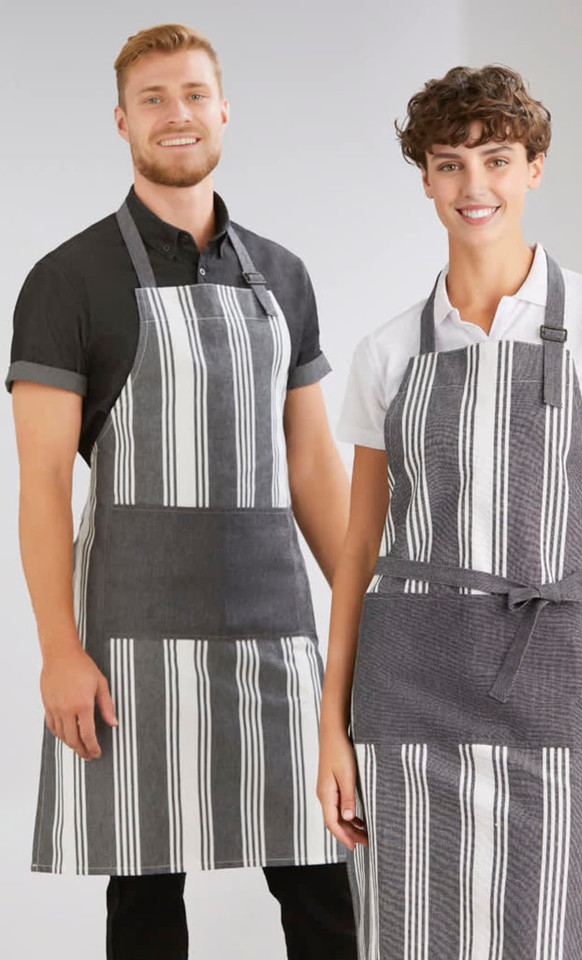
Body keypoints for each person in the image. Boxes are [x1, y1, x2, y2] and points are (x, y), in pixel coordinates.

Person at [7, 22, 357, 960]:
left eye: (195, 94)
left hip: (278, 631)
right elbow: (41, 487)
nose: (178, 114)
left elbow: (314, 465)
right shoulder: (66, 279)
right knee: (147, 899)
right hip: (131, 643)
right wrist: (58, 651)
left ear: (224, 111)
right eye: (154, 99)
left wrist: (374, 612)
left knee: (329, 885)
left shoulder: (281, 275)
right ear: (121, 120)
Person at [317, 64, 582, 958]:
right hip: (408, 684)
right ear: (426, 177)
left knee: (547, 932)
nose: (474, 187)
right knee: (410, 934)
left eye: (498, 160)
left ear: (535, 167)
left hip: (552, 673)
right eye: (449, 165)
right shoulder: (389, 349)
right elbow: (361, 544)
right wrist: (332, 725)